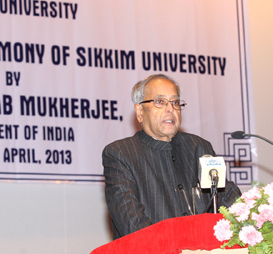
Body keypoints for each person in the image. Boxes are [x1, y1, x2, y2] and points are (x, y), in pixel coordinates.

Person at [102, 74, 241, 239]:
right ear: (140, 111)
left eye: (175, 102)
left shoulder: (199, 147)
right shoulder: (121, 154)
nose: (170, 109)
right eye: (159, 102)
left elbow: (233, 204)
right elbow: (133, 226)